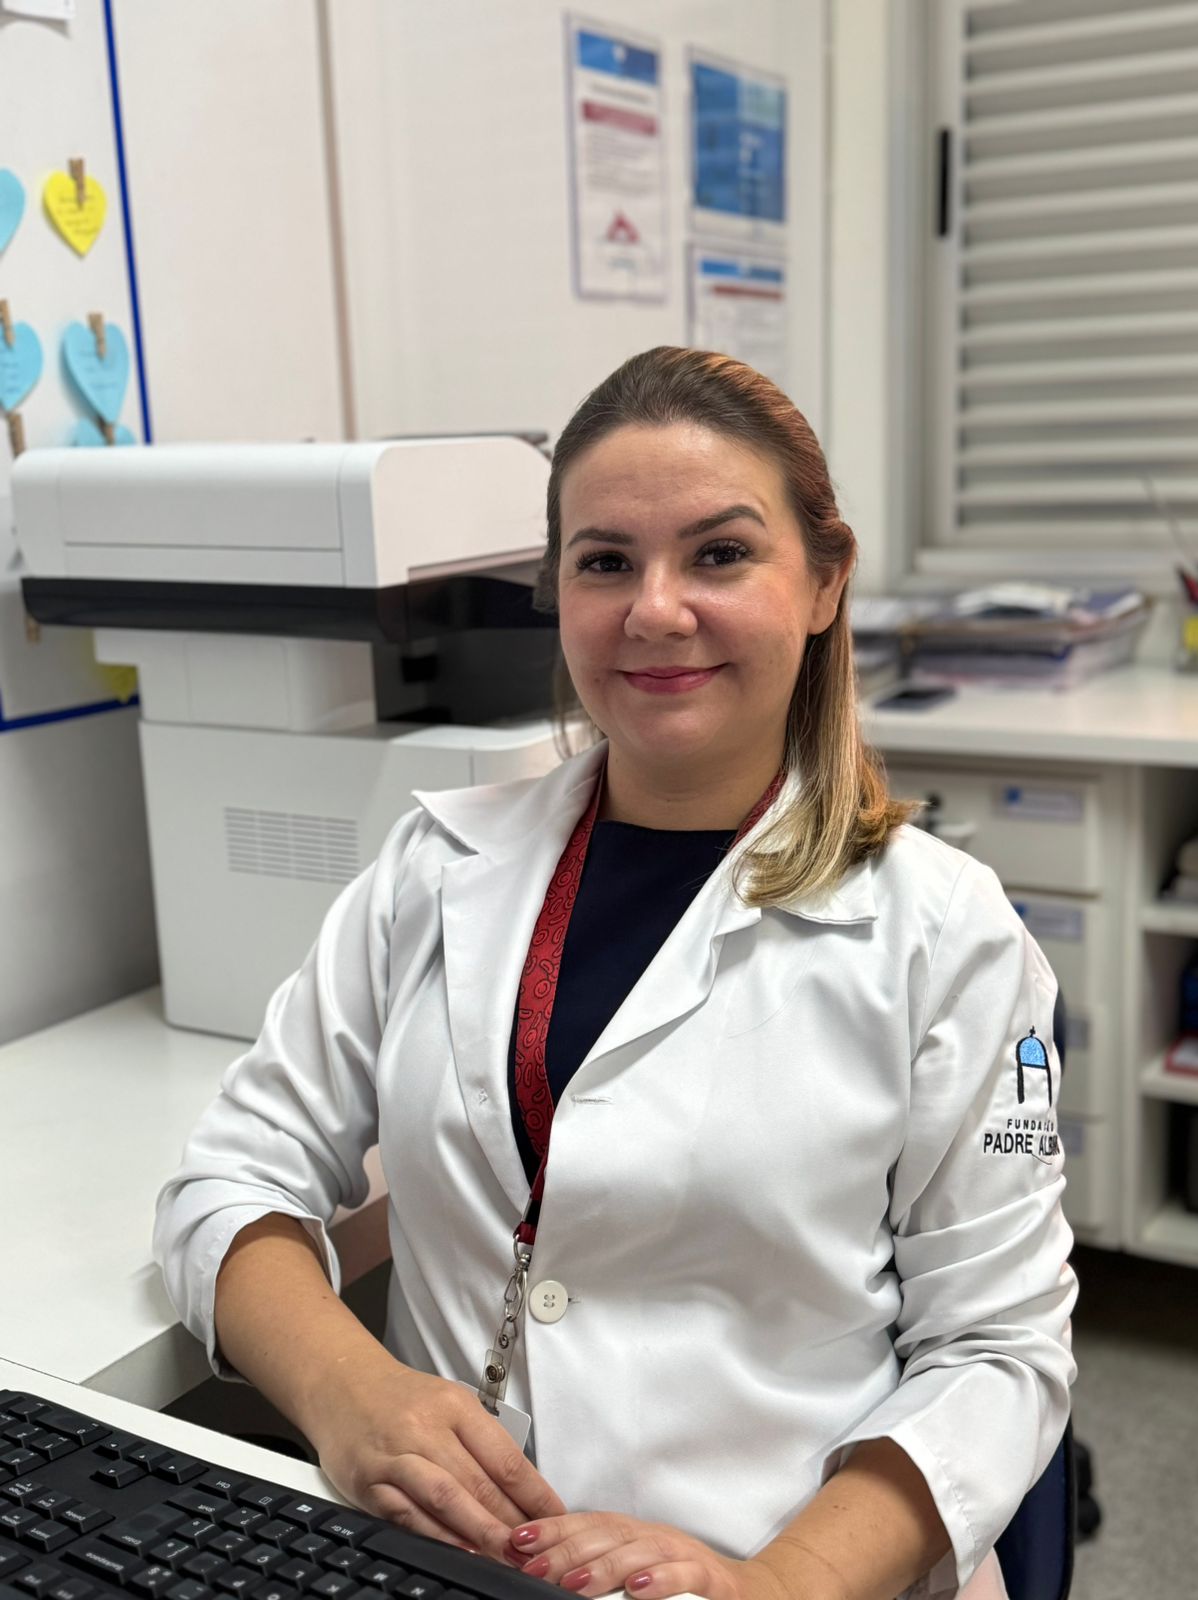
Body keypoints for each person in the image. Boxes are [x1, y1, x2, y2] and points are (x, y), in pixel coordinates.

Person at [155, 347, 1076, 1600]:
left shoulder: (947, 935)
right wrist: (348, 1391)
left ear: (824, 581)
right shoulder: (437, 868)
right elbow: (230, 1177)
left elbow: (999, 1351)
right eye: (604, 562)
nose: (655, 609)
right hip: (458, 1561)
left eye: (720, 553)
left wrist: (776, 1581)